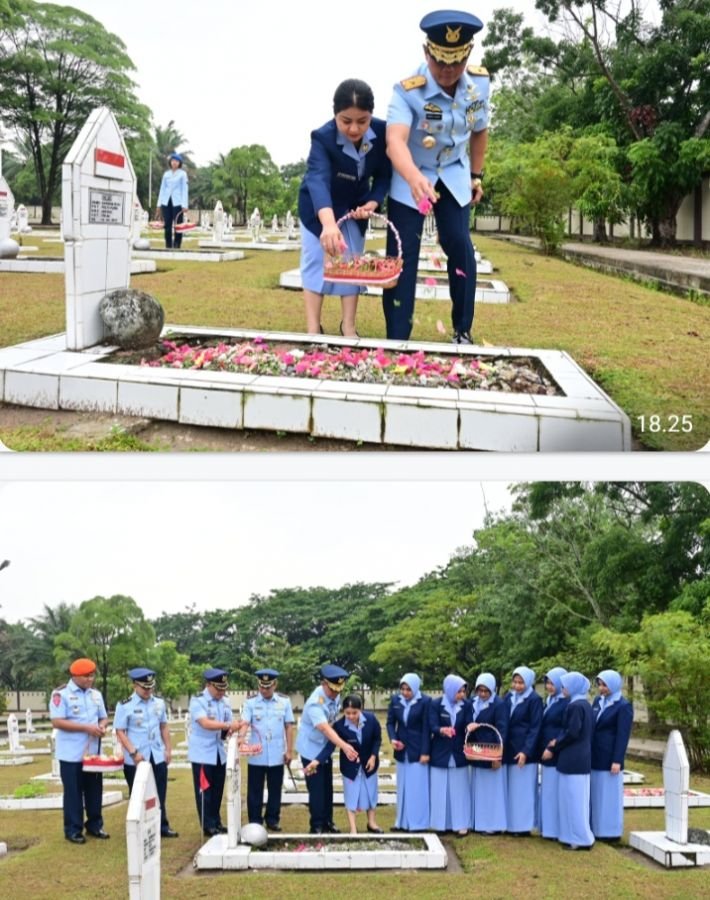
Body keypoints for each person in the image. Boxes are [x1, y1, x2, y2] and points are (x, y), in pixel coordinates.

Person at [383, 10, 490, 343]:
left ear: (468, 53)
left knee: (460, 247)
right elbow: (394, 142)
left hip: (454, 175)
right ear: (427, 52)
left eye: (456, 62)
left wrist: (475, 175)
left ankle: (462, 330)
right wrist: (414, 176)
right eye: (440, 61)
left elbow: (480, 129)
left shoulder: (479, 85)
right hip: (410, 176)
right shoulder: (406, 91)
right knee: (402, 257)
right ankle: (398, 336)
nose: (447, 70)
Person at [298, 78, 391, 337]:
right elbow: (317, 179)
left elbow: (384, 175)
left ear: (371, 115)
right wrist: (328, 224)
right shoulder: (322, 138)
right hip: (320, 208)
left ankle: (348, 327)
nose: (353, 129)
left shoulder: (383, 133)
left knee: (352, 262)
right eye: (345, 121)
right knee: (317, 261)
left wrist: (372, 203)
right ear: (335, 115)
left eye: (362, 121)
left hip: (356, 205)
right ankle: (313, 329)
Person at [49, 658, 109, 844]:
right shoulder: (61, 695)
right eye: (86, 676)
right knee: (74, 792)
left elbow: (103, 717)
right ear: (75, 676)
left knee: (94, 790)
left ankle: (94, 825)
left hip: (92, 753)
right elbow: (57, 721)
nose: (90, 679)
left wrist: (101, 727)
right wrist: (86, 728)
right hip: (71, 754)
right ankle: (73, 830)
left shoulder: (96, 695)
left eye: (92, 675)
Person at [113, 667, 178, 838]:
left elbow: (163, 725)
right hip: (136, 759)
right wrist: (133, 753)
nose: (148, 690)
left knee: (160, 793)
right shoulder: (125, 705)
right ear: (135, 685)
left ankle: (162, 826)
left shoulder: (159, 703)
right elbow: (120, 731)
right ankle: (140, 829)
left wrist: (168, 749)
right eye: (145, 687)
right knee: (138, 795)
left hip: (157, 755)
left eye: (151, 687)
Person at [295, 664, 360, 834]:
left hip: (324, 747)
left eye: (339, 690)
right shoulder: (315, 703)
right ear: (324, 684)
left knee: (327, 787)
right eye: (332, 690)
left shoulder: (334, 695)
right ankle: (316, 825)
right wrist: (344, 746)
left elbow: (332, 720)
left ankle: (328, 822)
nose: (336, 693)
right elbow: (325, 727)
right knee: (316, 789)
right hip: (311, 749)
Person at [309, 693, 383, 834]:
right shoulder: (339, 726)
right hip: (350, 768)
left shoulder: (371, 719)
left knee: (371, 793)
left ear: (360, 709)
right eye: (347, 713)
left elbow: (377, 739)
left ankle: (372, 823)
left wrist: (373, 756)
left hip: (369, 765)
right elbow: (330, 746)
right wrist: (317, 761)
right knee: (351, 795)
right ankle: (353, 828)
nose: (351, 716)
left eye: (354, 713)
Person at [542, 672, 595, 851]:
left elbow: (572, 732)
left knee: (573, 800)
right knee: (577, 800)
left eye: (564, 686)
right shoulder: (585, 704)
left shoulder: (574, 707)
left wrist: (555, 744)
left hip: (572, 758)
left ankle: (578, 838)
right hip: (581, 758)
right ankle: (576, 836)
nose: (562, 689)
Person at [188, 667, 241, 836]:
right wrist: (227, 726)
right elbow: (205, 723)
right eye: (218, 688)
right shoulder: (198, 701)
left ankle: (216, 821)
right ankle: (207, 824)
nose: (221, 692)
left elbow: (225, 726)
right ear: (209, 685)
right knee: (205, 791)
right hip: (203, 753)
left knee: (218, 790)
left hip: (219, 752)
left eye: (224, 688)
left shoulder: (225, 701)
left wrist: (231, 729)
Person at [241, 668, 295, 832]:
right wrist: (241, 739)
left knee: (275, 789)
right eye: (262, 687)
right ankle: (255, 820)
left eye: (268, 687)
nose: (264, 690)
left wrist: (289, 751)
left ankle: (272, 819)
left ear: (275, 685)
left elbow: (289, 727)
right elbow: (245, 723)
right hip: (257, 754)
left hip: (277, 753)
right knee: (254, 790)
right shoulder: (250, 703)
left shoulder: (284, 702)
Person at [590, 669, 633, 842]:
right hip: (595, 755)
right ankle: (596, 828)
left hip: (610, 758)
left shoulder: (623, 706)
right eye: (600, 685)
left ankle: (610, 832)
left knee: (608, 796)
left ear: (614, 685)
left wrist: (617, 760)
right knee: (596, 794)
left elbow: (623, 736)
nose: (601, 688)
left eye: (605, 685)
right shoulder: (597, 701)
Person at [386, 672, 431, 831]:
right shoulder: (395, 700)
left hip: (418, 750)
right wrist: (392, 738)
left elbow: (427, 728)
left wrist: (425, 752)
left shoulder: (425, 701)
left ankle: (418, 823)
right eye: (402, 689)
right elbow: (390, 723)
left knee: (417, 788)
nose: (405, 692)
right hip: (401, 749)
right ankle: (401, 822)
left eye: (408, 689)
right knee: (403, 787)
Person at [465, 672, 508, 834]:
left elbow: (502, 730)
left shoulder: (498, 704)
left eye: (486, 691)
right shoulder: (472, 703)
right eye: (480, 690)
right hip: (476, 751)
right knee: (478, 789)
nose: (482, 694)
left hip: (491, 751)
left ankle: (492, 825)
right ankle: (478, 822)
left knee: (491, 791)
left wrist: (498, 756)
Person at [428, 673, 471, 836]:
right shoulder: (436, 704)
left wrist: (470, 726)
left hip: (459, 752)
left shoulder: (466, 705)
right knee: (440, 790)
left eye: (463, 692)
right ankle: (441, 824)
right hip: (440, 752)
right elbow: (432, 725)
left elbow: (467, 723)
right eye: (458, 691)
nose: (461, 695)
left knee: (459, 790)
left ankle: (461, 824)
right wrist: (441, 730)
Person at [503, 665, 543, 835]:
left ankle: (523, 826)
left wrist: (526, 751)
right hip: (509, 748)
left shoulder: (534, 699)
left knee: (524, 790)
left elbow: (535, 728)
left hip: (524, 750)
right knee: (512, 789)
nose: (517, 686)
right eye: (515, 682)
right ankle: (511, 824)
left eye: (521, 682)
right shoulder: (508, 697)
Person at [537, 666, 569, 840]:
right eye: (547, 683)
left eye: (552, 683)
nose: (549, 687)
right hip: (545, 751)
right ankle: (547, 828)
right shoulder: (549, 701)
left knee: (554, 792)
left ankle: (555, 829)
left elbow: (564, 730)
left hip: (555, 752)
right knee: (547, 791)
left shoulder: (565, 703)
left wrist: (552, 747)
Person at [156, 152, 188, 249]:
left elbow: (184, 189)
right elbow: (162, 189)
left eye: (177, 161)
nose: (174, 163)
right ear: (170, 162)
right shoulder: (166, 174)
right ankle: (168, 244)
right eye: (173, 161)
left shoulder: (182, 174)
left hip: (178, 202)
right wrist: (159, 204)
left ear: (179, 163)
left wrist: (184, 205)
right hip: (166, 201)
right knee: (167, 224)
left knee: (178, 224)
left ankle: (177, 244)